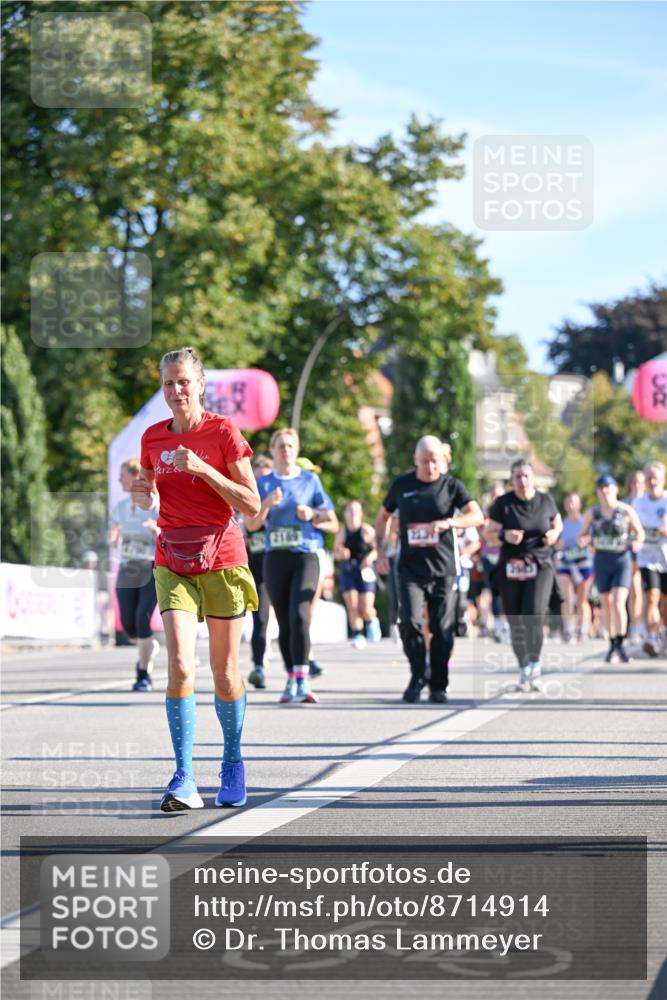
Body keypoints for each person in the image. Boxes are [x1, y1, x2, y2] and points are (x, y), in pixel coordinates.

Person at [131, 347, 260, 812]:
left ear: (200, 384)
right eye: (168, 383)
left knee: (225, 674)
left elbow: (251, 504)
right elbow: (147, 498)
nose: (176, 390)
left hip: (223, 557)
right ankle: (184, 776)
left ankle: (231, 760)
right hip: (172, 557)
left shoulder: (223, 432)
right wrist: (143, 495)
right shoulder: (151, 438)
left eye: (184, 381)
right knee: (181, 665)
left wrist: (205, 469)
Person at [375, 435, 484, 704]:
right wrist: (380, 550)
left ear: (442, 461)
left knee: (441, 628)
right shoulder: (402, 485)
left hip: (443, 568)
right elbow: (383, 517)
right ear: (416, 460)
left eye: (435, 461)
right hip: (410, 568)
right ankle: (417, 674)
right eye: (425, 461)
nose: (430, 466)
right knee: (410, 623)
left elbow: (477, 516)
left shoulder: (452, 486)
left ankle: (438, 684)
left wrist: (449, 523)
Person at [244, 428, 339, 704]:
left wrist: (313, 515)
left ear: (296, 451)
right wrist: (266, 505)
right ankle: (291, 678)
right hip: (275, 558)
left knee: (300, 614)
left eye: (290, 446)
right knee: (284, 621)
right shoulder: (264, 484)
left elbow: (332, 522)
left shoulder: (310, 481)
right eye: (280, 446)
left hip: (306, 555)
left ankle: (304, 678)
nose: (285, 450)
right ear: (273, 451)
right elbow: (251, 525)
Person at [486, 459, 563, 691]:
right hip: (511, 565)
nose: (522, 481)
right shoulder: (503, 503)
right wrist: (504, 537)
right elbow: (488, 533)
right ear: (512, 479)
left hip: (539, 564)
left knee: (534, 614)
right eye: (517, 477)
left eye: (526, 476)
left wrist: (553, 534)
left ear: (533, 478)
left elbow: (557, 524)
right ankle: (523, 667)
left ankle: (535, 664)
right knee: (516, 620)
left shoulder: (545, 500)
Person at [579, 474, 644, 664]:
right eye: (601, 488)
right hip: (601, 559)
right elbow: (582, 535)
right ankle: (612, 643)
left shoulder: (625, 510)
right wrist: (584, 540)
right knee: (606, 603)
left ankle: (620, 644)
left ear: (616, 489)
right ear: (598, 491)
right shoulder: (593, 512)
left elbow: (639, 532)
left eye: (609, 487)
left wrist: (638, 542)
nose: (605, 491)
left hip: (621, 559)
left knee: (618, 602)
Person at [109, 458, 160, 691]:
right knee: (129, 625)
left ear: (136, 476)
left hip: (151, 566)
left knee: (142, 619)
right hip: (128, 568)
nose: (120, 480)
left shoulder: (156, 503)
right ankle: (148, 646)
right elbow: (111, 534)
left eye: (123, 475)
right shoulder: (119, 507)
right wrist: (113, 537)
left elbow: (169, 530)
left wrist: (156, 530)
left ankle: (143, 673)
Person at [244, 454, 274, 690]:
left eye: (266, 479)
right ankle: (258, 666)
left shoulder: (279, 501)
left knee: (293, 616)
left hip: (280, 563)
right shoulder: (246, 501)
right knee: (260, 617)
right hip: (256, 567)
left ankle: (305, 662)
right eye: (258, 480)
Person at [632, 461, 667, 656]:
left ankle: (665, 634)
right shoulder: (638, 503)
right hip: (647, 557)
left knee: (666, 600)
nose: (652, 481)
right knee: (652, 596)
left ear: (663, 480)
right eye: (649, 478)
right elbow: (632, 527)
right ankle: (651, 637)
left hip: (666, 557)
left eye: (656, 478)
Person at [335, 500, 382, 648]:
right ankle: (358, 634)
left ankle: (371, 620)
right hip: (349, 570)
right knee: (352, 603)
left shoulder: (366, 530)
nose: (353, 514)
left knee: (366, 607)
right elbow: (336, 554)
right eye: (350, 510)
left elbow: (378, 550)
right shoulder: (343, 532)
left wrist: (370, 557)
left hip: (365, 571)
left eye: (356, 511)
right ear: (345, 514)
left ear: (361, 513)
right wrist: (342, 553)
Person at [555, 492, 594, 642]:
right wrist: (559, 545)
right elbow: (556, 543)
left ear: (579, 505)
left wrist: (586, 541)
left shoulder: (585, 521)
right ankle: (568, 629)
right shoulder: (562, 524)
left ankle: (583, 630)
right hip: (566, 563)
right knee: (566, 597)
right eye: (568, 503)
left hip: (584, 564)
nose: (571, 506)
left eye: (574, 502)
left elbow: (593, 539)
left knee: (582, 600)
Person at [624, 470, 647, 646]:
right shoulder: (625, 505)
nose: (637, 485)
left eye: (640, 482)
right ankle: (636, 626)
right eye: (634, 482)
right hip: (630, 552)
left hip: (652, 552)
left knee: (652, 592)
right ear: (630, 484)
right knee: (635, 589)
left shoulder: (649, 502)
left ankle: (648, 626)